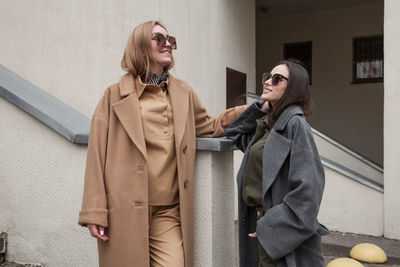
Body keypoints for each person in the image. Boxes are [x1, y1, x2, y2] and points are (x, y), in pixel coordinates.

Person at [78, 21, 247, 267]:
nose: (168, 44)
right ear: (140, 46)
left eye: (171, 40)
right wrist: (94, 211)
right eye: (159, 38)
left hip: (168, 212)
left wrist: (252, 110)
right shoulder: (113, 95)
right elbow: (96, 155)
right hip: (123, 209)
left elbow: (209, 126)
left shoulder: (183, 92)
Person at [225, 60, 329, 267]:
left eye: (277, 78)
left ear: (294, 88)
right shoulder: (268, 126)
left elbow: (308, 193)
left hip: (279, 232)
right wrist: (260, 108)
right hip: (257, 224)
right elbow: (234, 133)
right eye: (267, 77)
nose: (267, 82)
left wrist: (269, 227)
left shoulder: (296, 125)